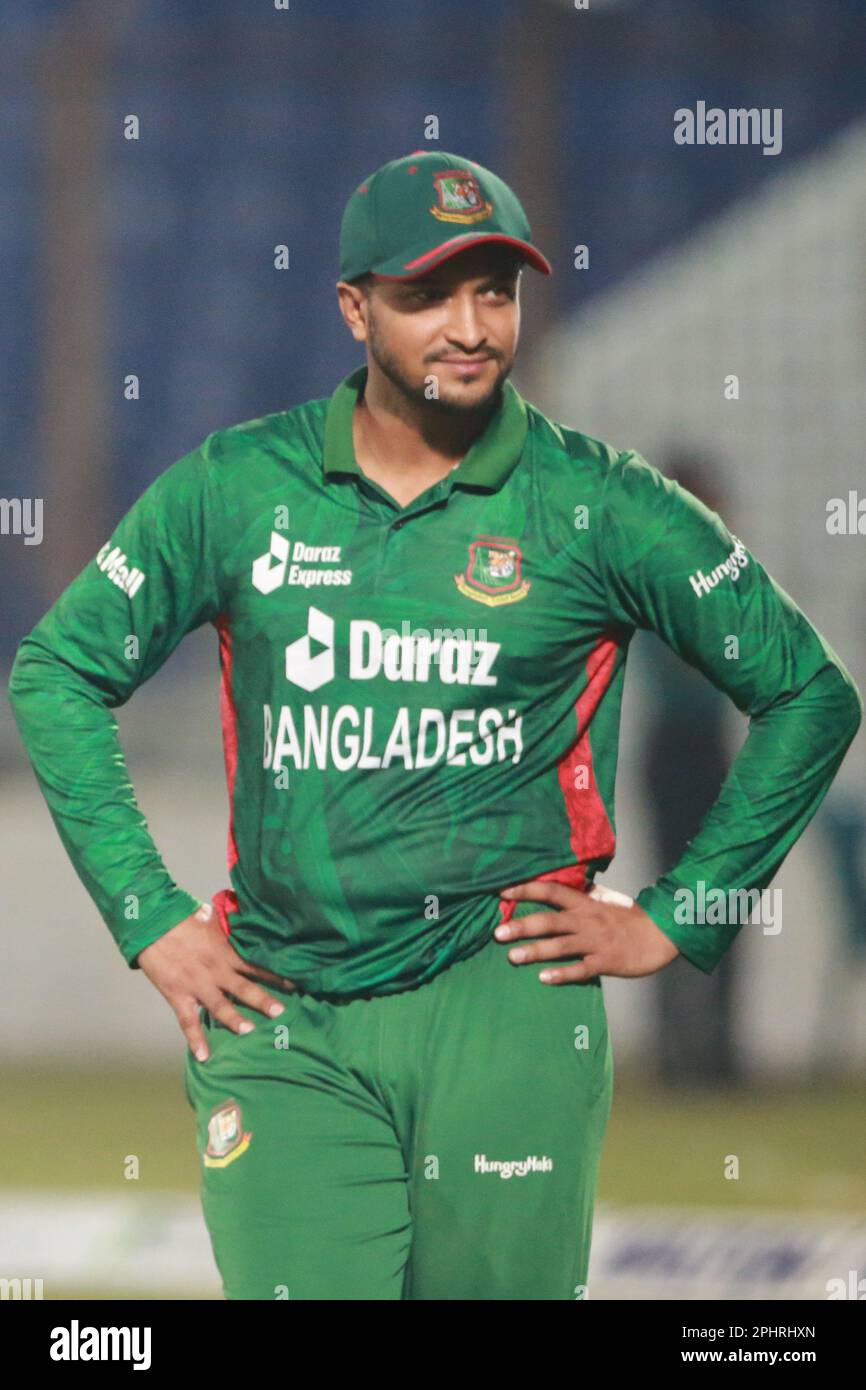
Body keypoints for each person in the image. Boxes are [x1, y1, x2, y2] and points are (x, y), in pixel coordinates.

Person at [8, 149, 861, 1300]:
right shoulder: (234, 487)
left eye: (495, 291)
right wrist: (147, 915)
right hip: (281, 1012)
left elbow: (811, 692)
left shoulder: (596, 503)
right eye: (427, 295)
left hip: (502, 1006)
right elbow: (57, 670)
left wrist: (679, 917)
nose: (470, 326)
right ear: (354, 307)